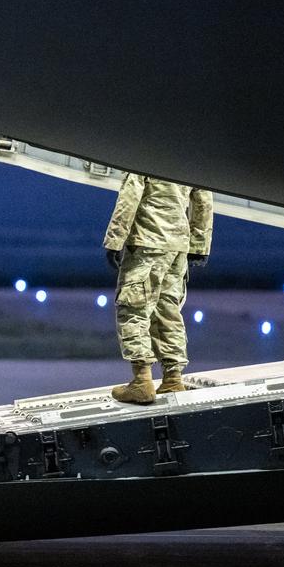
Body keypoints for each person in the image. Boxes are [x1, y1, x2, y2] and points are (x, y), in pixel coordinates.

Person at [103, 173, 213, 405]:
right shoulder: (192, 157)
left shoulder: (145, 153)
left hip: (147, 242)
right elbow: (203, 197)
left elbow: (130, 195)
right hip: (178, 246)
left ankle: (142, 381)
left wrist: (115, 240)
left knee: (133, 308)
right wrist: (200, 245)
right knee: (168, 310)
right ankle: (173, 378)